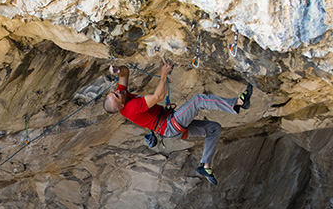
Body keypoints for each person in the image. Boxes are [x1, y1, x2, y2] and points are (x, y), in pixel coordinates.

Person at [103, 59, 253, 186]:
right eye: (117, 94)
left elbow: (124, 73)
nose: (118, 91)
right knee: (198, 100)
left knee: (213, 128)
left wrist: (117, 70)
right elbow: (158, 96)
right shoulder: (131, 107)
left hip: (168, 127)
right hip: (169, 125)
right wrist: (164, 74)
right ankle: (237, 103)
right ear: (121, 106)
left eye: (115, 91)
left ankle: (205, 165)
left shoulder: (123, 97)